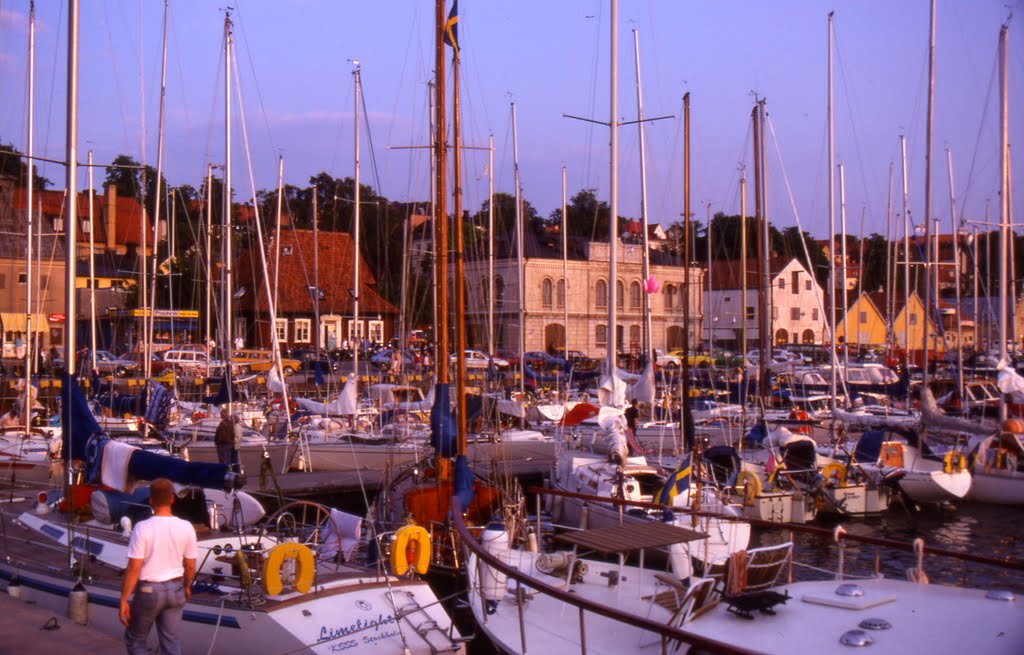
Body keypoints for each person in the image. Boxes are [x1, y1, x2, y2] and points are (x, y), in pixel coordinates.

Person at [119, 478, 198, 655]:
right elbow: (190, 564)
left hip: (149, 590)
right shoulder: (186, 527)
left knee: (136, 641)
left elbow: (134, 567)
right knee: (171, 643)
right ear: (172, 499)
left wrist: (124, 598)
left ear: (151, 500)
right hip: (176, 589)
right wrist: (186, 586)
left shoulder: (142, 528)